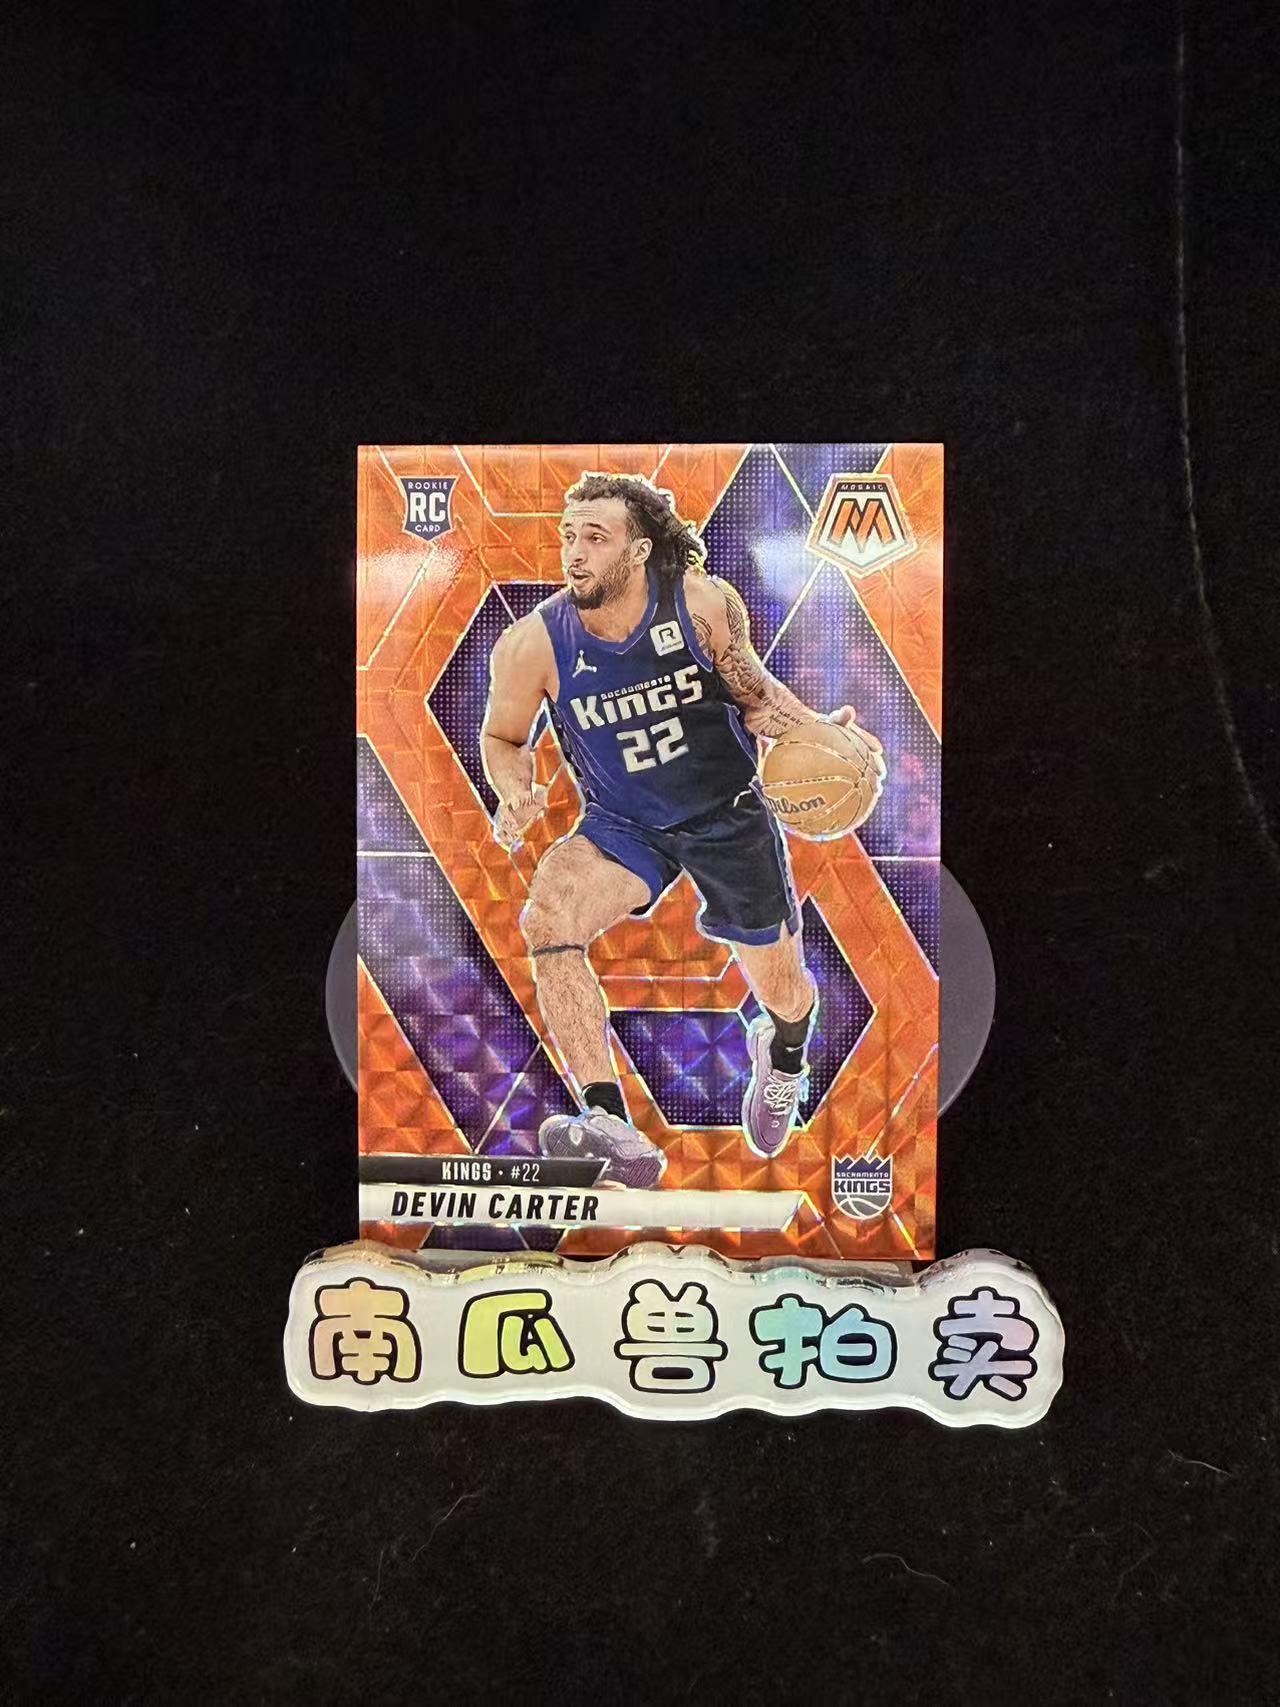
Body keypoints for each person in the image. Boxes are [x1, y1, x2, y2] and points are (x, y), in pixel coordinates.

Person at [480, 472, 884, 1187]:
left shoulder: (701, 604)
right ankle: (606, 1121)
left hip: (726, 814)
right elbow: (502, 738)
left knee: (787, 994)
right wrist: (513, 790)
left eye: (595, 537)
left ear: (638, 550)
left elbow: (758, 701)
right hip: (624, 823)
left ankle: (784, 1053)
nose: (574, 552)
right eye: (569, 536)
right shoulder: (531, 644)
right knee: (548, 913)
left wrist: (829, 740)